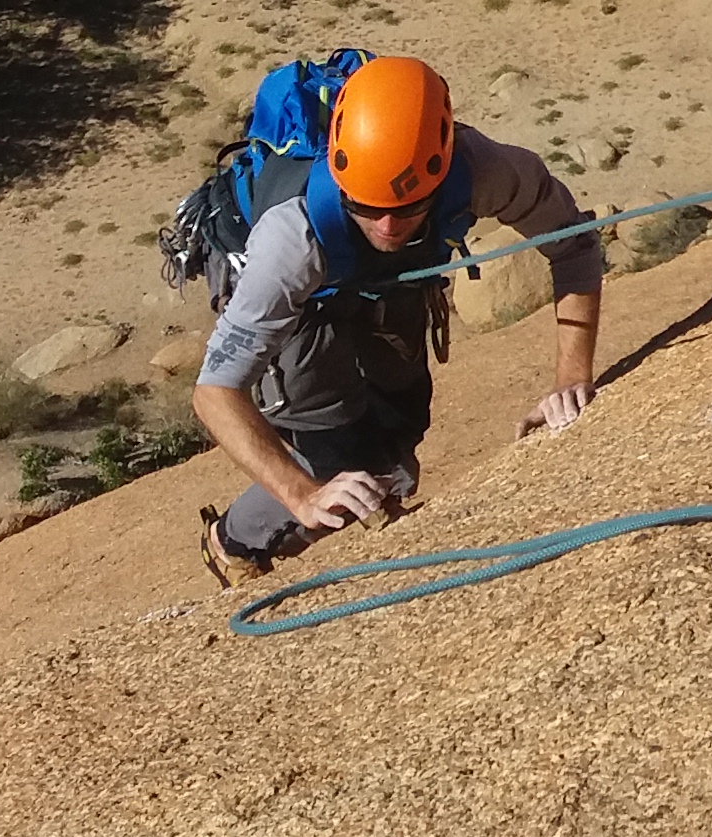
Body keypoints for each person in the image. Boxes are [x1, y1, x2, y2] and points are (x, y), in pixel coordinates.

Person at [193, 54, 606, 585]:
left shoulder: (483, 170)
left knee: (400, 424)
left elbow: (574, 245)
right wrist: (302, 495)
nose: (387, 224)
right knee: (335, 457)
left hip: (389, 278)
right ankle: (232, 542)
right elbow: (214, 391)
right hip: (298, 286)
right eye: (368, 205)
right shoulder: (289, 237)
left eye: (407, 204)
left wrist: (572, 379)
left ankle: (368, 473)